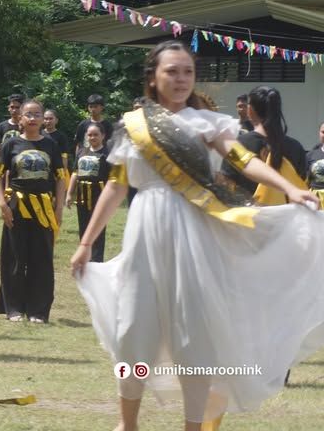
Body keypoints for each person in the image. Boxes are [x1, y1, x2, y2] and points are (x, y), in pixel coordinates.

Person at [71, 40, 324, 431]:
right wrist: (87, 243)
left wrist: (289, 188)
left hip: (194, 233)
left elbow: (246, 161)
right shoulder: (133, 125)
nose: (181, 79)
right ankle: (128, 424)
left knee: (194, 338)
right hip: (144, 231)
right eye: (172, 71)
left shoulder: (208, 123)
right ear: (153, 78)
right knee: (132, 331)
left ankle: (193, 426)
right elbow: (116, 187)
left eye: (187, 71)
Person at [0, 99, 67, 323]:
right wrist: (2, 204)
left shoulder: (51, 145)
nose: (33, 118)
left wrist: (59, 208)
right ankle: (13, 308)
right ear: (21, 119)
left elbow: (61, 178)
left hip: (44, 208)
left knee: (41, 258)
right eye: (28, 114)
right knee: (14, 257)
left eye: (37, 114)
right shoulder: (10, 144)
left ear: (43, 118)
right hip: (16, 206)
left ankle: (38, 310)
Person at [216, 86, 307, 206]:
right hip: (287, 219)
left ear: (250, 110)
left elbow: (225, 187)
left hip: (248, 218)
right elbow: (302, 183)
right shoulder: (296, 147)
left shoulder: (238, 145)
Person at [68, 122, 109, 262]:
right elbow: (75, 173)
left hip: (99, 195)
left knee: (97, 229)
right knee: (84, 227)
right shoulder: (81, 151)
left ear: (103, 135)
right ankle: (85, 258)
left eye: (96, 134)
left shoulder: (108, 153)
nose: (92, 137)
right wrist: (69, 194)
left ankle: (96, 261)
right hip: (82, 196)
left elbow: (112, 179)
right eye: (89, 135)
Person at [306, 122, 324, 202]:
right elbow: (305, 181)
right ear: (319, 133)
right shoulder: (310, 155)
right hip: (316, 201)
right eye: (323, 132)